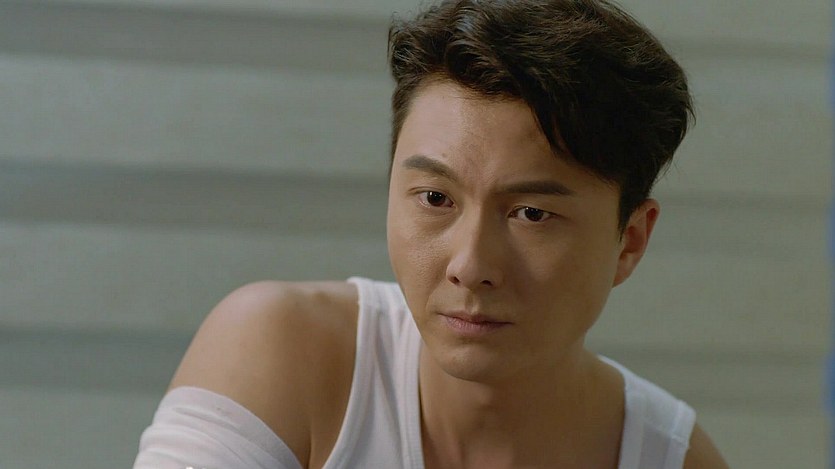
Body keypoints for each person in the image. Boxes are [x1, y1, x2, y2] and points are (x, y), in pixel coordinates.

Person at [134, 0, 729, 467]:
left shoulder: (668, 457)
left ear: (630, 241)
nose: (470, 266)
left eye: (531, 214)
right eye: (436, 199)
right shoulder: (281, 353)